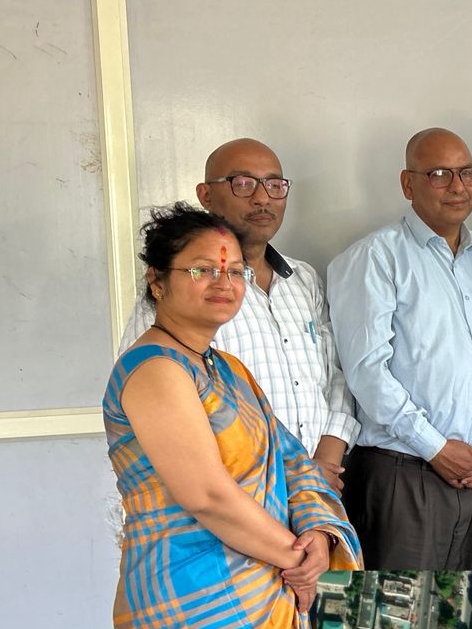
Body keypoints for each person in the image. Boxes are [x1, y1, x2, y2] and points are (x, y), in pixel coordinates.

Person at [103, 203, 372, 629]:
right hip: (195, 606)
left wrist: (320, 537)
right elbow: (207, 496)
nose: (223, 282)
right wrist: (299, 561)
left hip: (272, 589)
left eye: (233, 271)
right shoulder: (154, 369)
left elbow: (294, 462)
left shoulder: (228, 370)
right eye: (202, 269)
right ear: (157, 281)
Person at [327, 128, 472, 629]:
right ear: (408, 184)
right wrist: (436, 447)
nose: (457, 186)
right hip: (404, 468)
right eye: (439, 174)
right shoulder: (374, 257)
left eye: (467, 172)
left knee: (462, 620)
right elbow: (366, 373)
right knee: (390, 626)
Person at [118, 138, 359, 493]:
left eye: (274, 185)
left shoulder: (303, 280)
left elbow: (336, 377)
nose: (262, 198)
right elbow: (156, 407)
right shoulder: (182, 290)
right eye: (243, 183)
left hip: (318, 490)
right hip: (232, 496)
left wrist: (321, 465)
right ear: (205, 195)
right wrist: (288, 480)